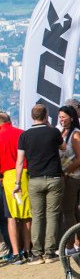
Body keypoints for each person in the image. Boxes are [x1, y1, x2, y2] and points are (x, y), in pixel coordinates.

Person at [15, 104, 66, 263]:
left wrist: (17, 183)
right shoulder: (53, 132)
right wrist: (51, 127)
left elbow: (20, 162)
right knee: (52, 215)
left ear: (32, 117)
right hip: (54, 178)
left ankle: (36, 253)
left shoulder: (25, 136)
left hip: (34, 179)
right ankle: (50, 252)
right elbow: (63, 147)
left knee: (37, 216)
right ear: (46, 116)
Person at [0, 112, 33, 262]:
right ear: (10, 121)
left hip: (8, 176)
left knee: (12, 216)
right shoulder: (22, 133)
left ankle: (16, 253)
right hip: (26, 174)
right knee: (27, 214)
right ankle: (28, 250)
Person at [59, 105, 80, 250]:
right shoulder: (62, 133)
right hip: (66, 176)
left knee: (68, 210)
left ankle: (70, 243)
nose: (61, 120)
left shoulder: (75, 134)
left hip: (73, 177)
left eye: (63, 117)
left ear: (71, 118)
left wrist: (66, 171)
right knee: (72, 210)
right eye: (59, 117)